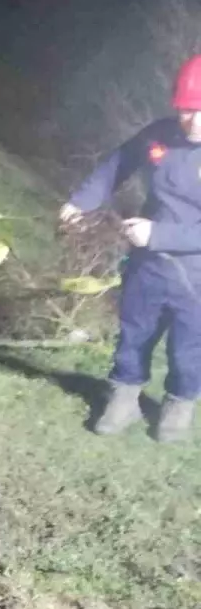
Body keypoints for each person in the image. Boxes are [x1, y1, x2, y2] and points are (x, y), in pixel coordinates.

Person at [60, 55, 201, 442]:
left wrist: (159, 235)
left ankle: (179, 403)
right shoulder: (162, 134)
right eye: (185, 110)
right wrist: (81, 203)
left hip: (197, 276)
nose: (190, 121)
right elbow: (117, 163)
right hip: (148, 265)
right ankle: (123, 396)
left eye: (199, 111)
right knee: (135, 331)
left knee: (189, 345)